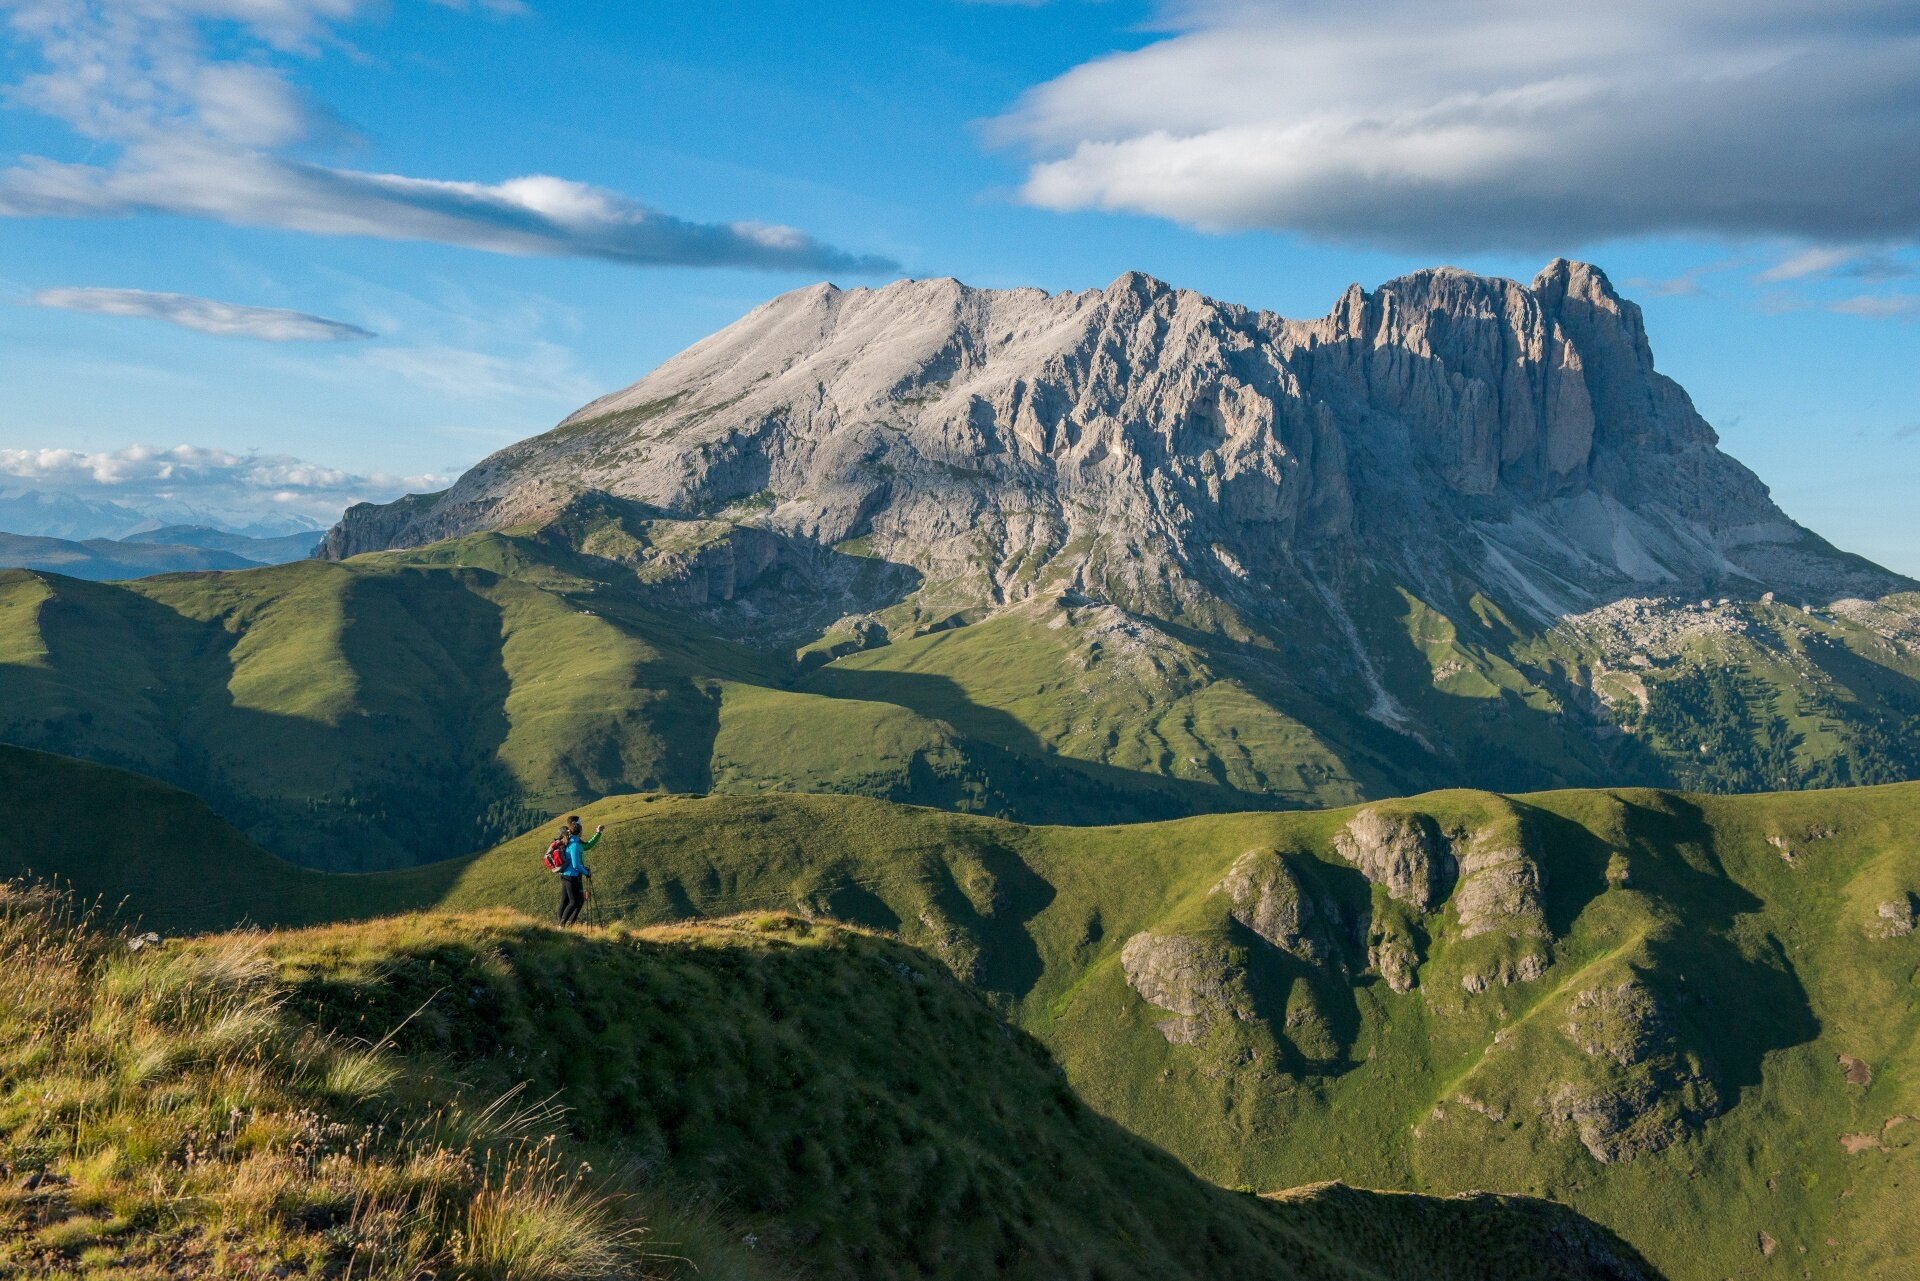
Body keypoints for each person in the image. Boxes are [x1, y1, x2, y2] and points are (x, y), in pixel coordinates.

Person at [556, 815, 604, 925]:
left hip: (566, 875)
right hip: (572, 876)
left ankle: (563, 925)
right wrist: (586, 872)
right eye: (580, 823)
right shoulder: (575, 844)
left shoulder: (567, 840)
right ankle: (563, 926)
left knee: (566, 901)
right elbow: (576, 864)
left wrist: (598, 833)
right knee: (575, 902)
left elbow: (587, 846)